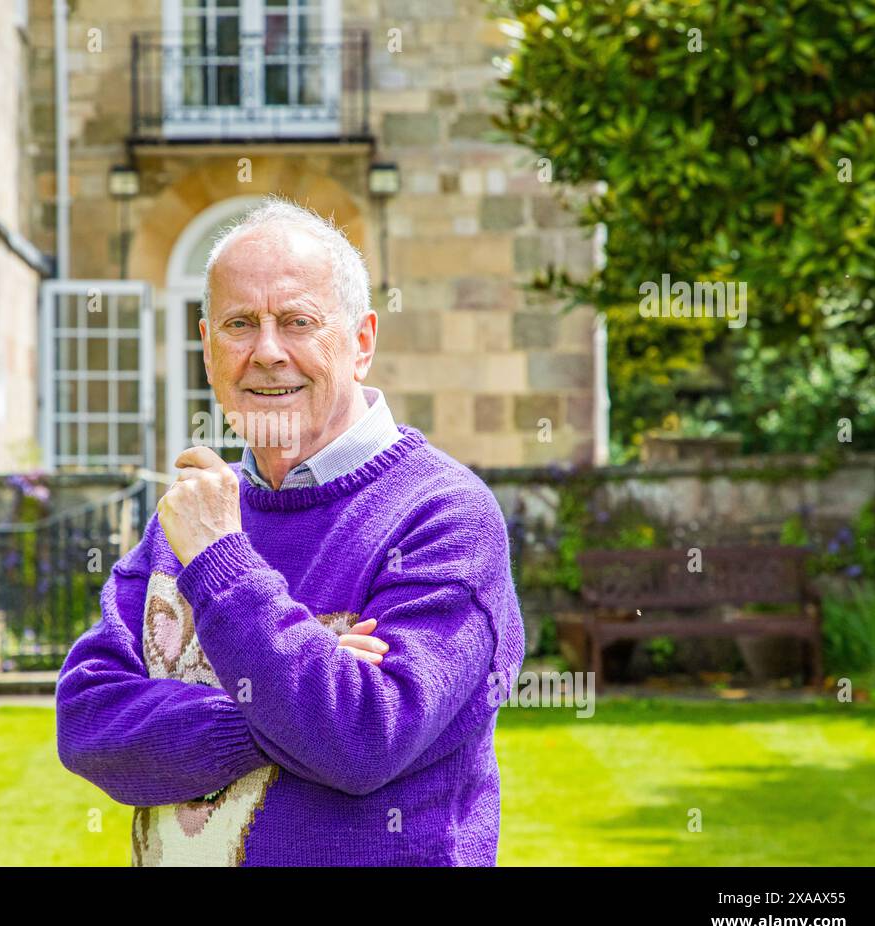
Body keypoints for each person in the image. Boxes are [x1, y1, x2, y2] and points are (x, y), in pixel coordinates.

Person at [55, 195, 525, 865]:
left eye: (297, 322)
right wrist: (279, 711)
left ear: (362, 342)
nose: (267, 352)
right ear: (207, 345)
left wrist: (222, 561)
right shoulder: (191, 517)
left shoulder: (443, 516)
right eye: (239, 323)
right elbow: (86, 723)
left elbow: (359, 739)